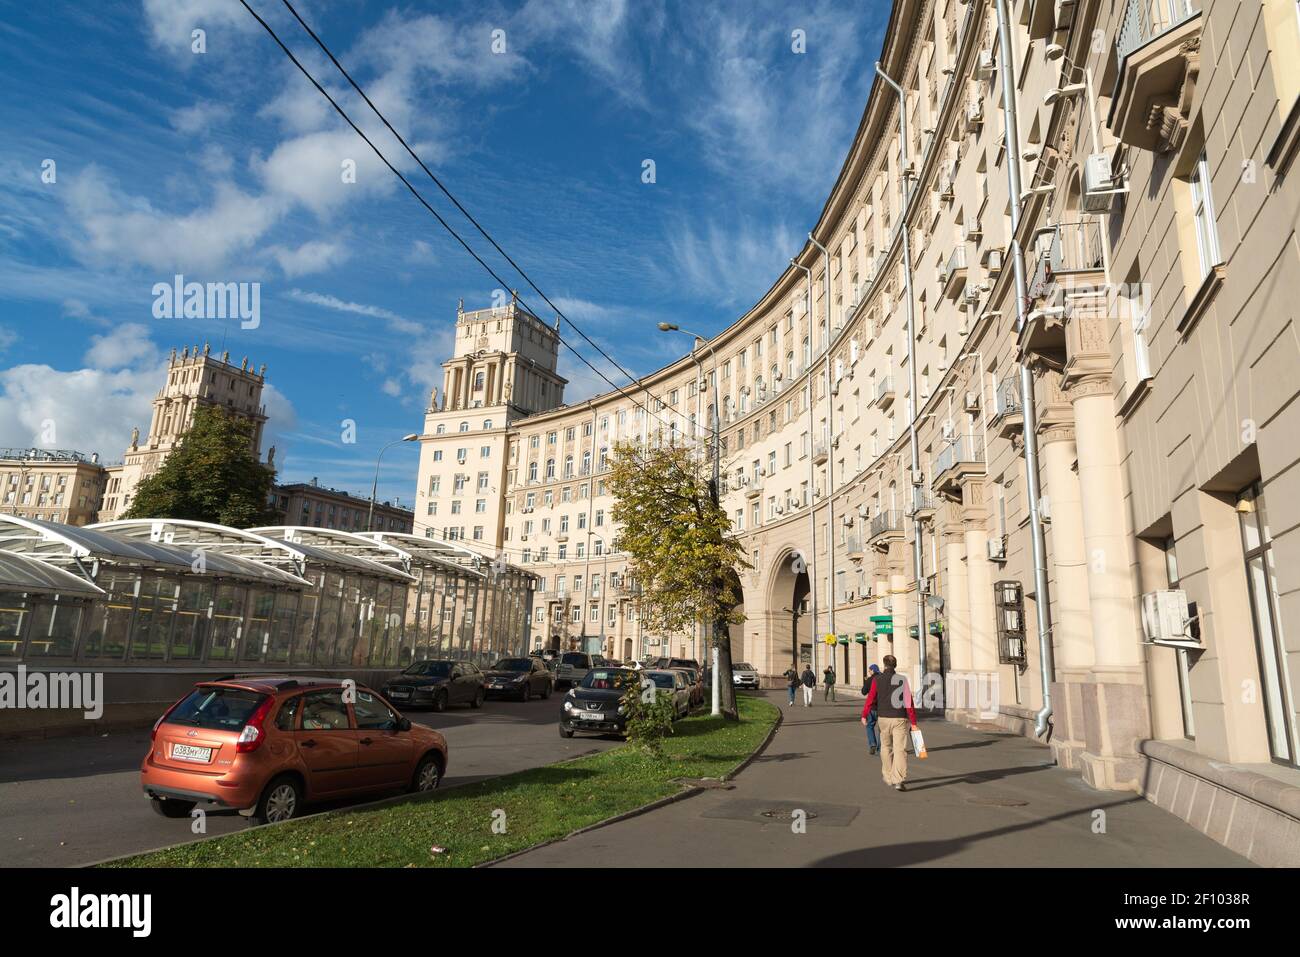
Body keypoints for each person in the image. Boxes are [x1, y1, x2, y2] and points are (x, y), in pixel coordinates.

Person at [859, 655, 917, 791]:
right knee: (900, 749)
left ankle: (887, 775)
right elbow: (909, 702)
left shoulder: (877, 680)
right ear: (895, 665)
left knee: (885, 747)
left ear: (884, 665)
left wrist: (864, 714)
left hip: (883, 718)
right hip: (899, 718)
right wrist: (913, 721)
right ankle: (898, 780)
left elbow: (871, 698)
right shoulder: (902, 680)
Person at [862, 663, 881, 755]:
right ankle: (880, 748)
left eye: (869, 670)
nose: (869, 672)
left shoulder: (870, 680)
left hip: (872, 707)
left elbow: (863, 692)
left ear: (873, 670)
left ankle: (872, 744)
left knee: (870, 726)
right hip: (882, 707)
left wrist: (866, 682)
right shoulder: (882, 678)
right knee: (881, 729)